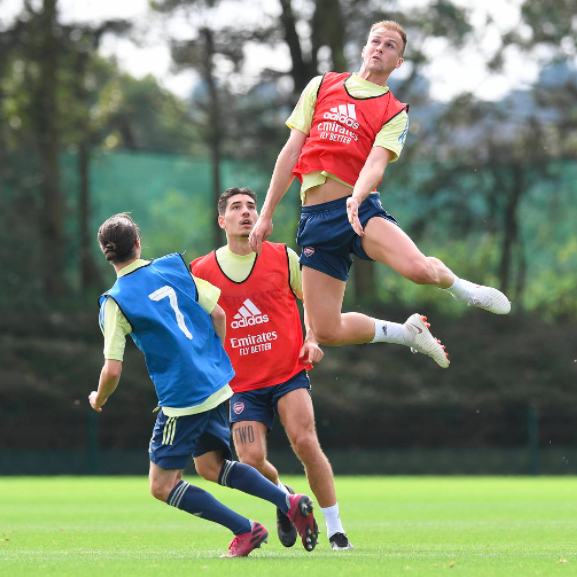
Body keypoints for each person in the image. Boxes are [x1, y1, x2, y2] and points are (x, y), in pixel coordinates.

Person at [248, 20, 510, 364]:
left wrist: (357, 197)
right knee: (324, 330)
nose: (380, 49)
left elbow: (375, 163)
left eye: (390, 47)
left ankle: (464, 289)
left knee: (419, 270)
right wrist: (266, 215)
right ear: (364, 48)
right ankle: (407, 333)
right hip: (315, 220)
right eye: (376, 41)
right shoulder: (322, 85)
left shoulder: (394, 111)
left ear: (398, 62)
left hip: (359, 212)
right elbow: (291, 152)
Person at [89, 213, 319, 558]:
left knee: (161, 485)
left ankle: (247, 530)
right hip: (218, 384)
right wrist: (212, 360)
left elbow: (111, 371)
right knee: (211, 466)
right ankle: (289, 501)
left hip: (183, 399)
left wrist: (98, 397)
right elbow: (220, 315)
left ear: (106, 254)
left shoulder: (114, 301)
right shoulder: (173, 267)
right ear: (138, 244)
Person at [191, 187, 353, 551]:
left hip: (288, 373)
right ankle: (285, 499)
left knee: (305, 442)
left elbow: (312, 303)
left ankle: (336, 531)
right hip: (242, 385)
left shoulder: (283, 256)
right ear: (222, 221)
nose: (246, 212)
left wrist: (312, 338)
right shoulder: (201, 270)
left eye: (251, 206)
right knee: (249, 460)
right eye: (236, 208)